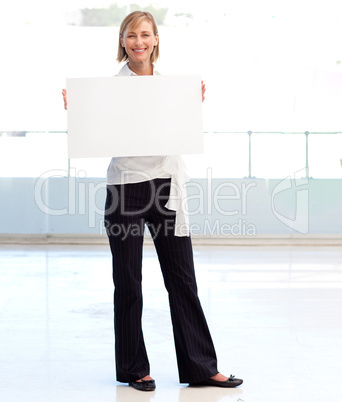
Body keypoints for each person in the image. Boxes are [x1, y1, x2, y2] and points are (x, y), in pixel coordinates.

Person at [62, 10, 243, 392]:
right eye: (131, 35)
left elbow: (179, 131)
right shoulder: (107, 91)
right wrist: (77, 111)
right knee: (128, 282)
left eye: (145, 34)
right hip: (126, 188)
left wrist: (194, 105)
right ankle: (134, 369)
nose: (138, 42)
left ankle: (201, 367)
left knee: (183, 281)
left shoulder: (171, 89)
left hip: (166, 187)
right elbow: (96, 133)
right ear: (122, 42)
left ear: (156, 39)